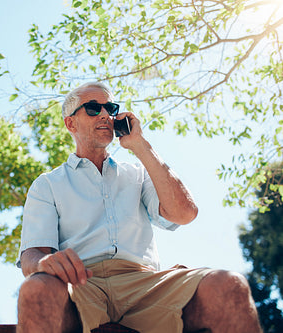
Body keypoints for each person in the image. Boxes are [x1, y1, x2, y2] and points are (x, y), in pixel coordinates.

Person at [16, 82, 262, 333]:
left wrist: (140, 145)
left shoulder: (138, 174)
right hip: (81, 285)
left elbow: (184, 214)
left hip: (146, 285)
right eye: (92, 108)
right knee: (36, 288)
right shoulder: (47, 184)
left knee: (229, 285)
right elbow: (31, 257)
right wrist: (45, 263)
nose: (104, 115)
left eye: (110, 108)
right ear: (70, 124)